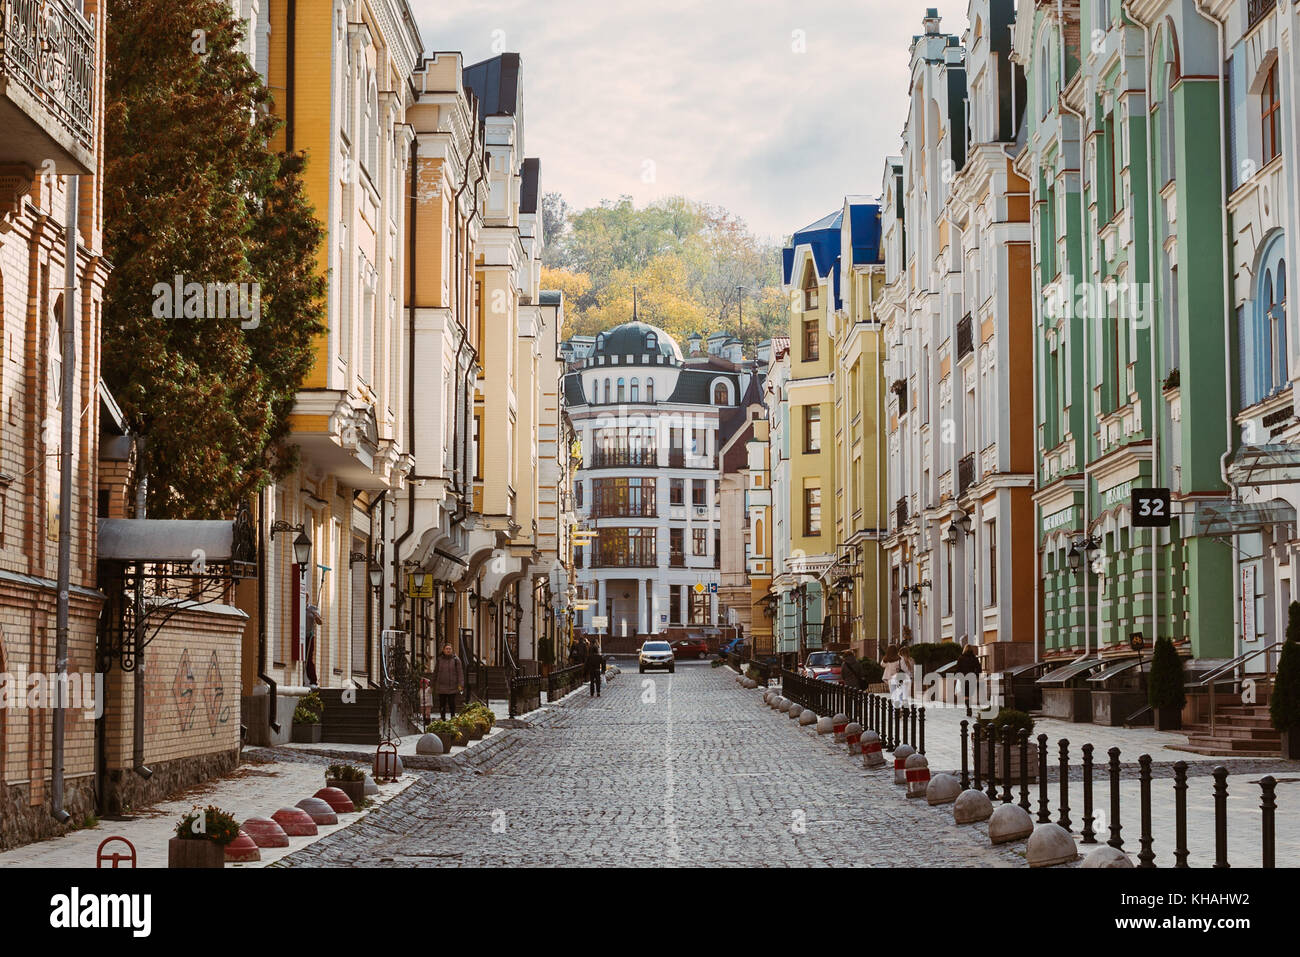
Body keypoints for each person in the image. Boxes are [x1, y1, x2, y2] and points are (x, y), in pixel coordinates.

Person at [433, 643, 464, 720]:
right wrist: (432, 684)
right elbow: (435, 672)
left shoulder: (456, 660)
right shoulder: (439, 660)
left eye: (449, 649)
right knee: (442, 704)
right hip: (441, 686)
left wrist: (460, 685)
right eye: (446, 649)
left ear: (452, 650)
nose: (448, 650)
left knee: (452, 704)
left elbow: (460, 673)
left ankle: (452, 717)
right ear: (443, 650)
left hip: (452, 687)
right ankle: (443, 718)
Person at [953, 640, 981, 715]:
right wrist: (976, 675)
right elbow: (979, 669)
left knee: (966, 695)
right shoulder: (974, 658)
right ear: (971, 650)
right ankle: (969, 707)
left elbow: (957, 669)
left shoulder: (961, 658)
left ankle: (968, 708)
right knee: (970, 694)